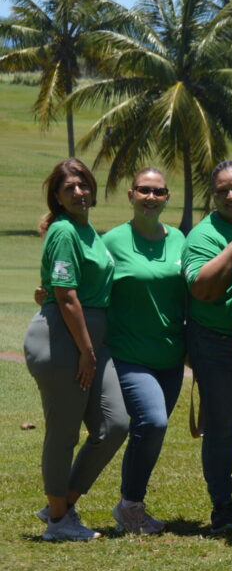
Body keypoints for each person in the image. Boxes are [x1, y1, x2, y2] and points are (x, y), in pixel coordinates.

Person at [24, 159, 129, 541]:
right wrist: (86, 350)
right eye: (69, 187)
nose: (79, 192)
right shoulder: (65, 230)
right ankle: (58, 522)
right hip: (64, 340)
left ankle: (61, 504)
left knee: (114, 423)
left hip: (89, 341)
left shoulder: (86, 231)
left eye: (83, 184)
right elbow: (67, 297)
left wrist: (91, 348)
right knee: (64, 430)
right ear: (57, 195)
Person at [103, 167, 187, 533]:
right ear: (130, 194)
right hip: (129, 354)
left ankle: (131, 505)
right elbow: (88, 290)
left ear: (167, 197)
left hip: (171, 357)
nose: (151, 197)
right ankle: (129, 506)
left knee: (150, 430)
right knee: (152, 422)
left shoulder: (180, 239)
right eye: (144, 190)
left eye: (158, 191)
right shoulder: (112, 242)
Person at [181, 160, 232, 531]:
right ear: (213, 195)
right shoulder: (202, 235)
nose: (231, 195)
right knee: (221, 429)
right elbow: (201, 289)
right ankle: (222, 508)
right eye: (222, 190)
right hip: (216, 343)